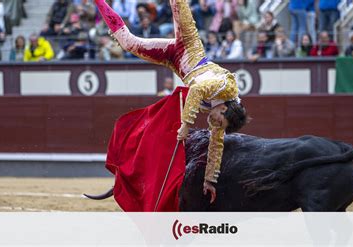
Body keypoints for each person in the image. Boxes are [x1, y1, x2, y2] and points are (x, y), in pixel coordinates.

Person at [95, 0, 248, 203]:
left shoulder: (220, 116)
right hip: (188, 43)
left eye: (219, 124)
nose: (214, 122)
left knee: (127, 43)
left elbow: (216, 146)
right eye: (219, 119)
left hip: (172, 59)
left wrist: (210, 180)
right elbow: (198, 88)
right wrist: (186, 125)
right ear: (225, 108)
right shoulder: (226, 87)